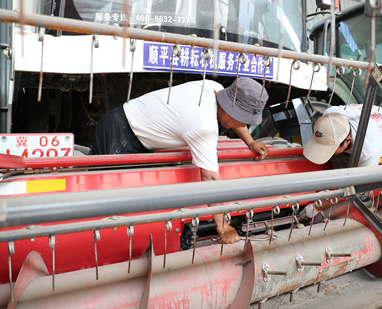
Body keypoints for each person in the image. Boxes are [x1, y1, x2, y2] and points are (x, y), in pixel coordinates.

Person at [91, 77, 270, 244]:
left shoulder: (215, 89)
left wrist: (250, 142)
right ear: (230, 109)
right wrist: (222, 225)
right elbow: (210, 179)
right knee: (106, 201)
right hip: (121, 133)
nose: (242, 125)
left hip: (137, 134)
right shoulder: (203, 125)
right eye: (241, 120)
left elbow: (237, 118)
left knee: (136, 204)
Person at [302, 104, 382, 282]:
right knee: (344, 179)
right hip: (364, 136)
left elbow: (354, 185)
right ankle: (354, 211)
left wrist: (319, 205)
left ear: (347, 141)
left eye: (331, 148)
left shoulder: (369, 147)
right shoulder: (328, 119)